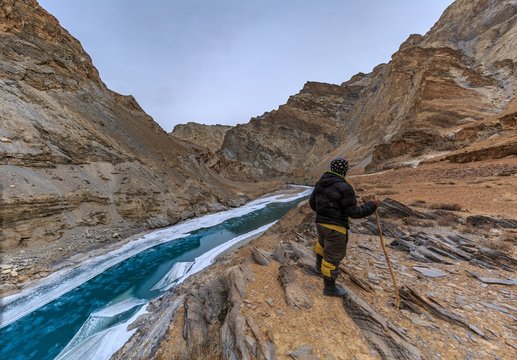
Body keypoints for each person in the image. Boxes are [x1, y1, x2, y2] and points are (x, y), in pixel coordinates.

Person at [309, 157, 380, 297]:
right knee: (332, 257)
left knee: (322, 246)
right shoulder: (345, 187)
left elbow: (312, 203)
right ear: (345, 171)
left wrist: (324, 213)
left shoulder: (320, 183)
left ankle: (318, 268)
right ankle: (329, 289)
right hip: (336, 229)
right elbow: (354, 213)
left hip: (320, 223)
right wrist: (372, 205)